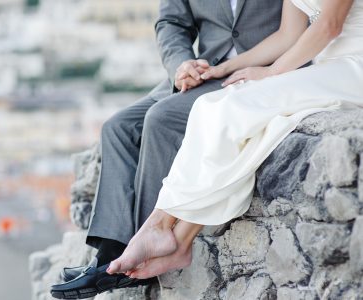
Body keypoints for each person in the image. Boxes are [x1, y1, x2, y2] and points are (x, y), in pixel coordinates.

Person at [106, 0, 363, 280]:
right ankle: (178, 240)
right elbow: (288, 35)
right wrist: (225, 68)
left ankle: (160, 225)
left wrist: (270, 73)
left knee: (234, 108)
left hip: (354, 66)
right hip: (326, 68)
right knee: (213, 109)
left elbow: (329, 25)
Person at [50, 0, 284, 298]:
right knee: (118, 128)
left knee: (161, 120)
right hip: (203, 72)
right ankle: (109, 253)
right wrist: (181, 65)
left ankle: (139, 256)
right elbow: (171, 22)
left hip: (262, 71)